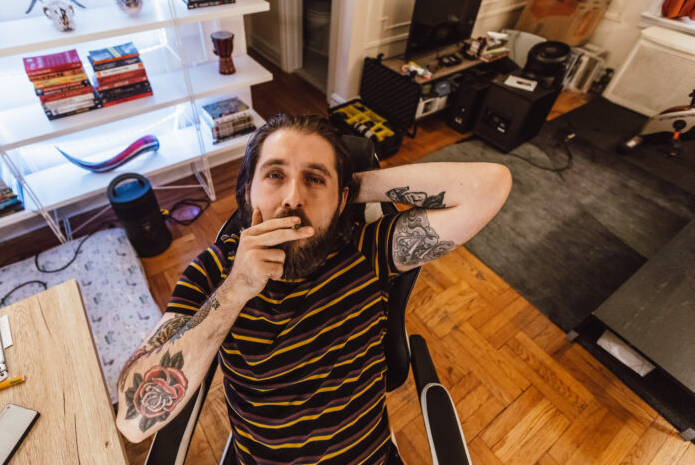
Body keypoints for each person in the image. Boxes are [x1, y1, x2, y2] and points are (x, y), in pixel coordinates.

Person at [115, 114, 512, 464]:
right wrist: (237, 289)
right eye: (275, 175)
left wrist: (352, 185)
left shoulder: (367, 249)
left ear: (342, 201)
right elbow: (133, 421)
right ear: (247, 192)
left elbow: (491, 185)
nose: (293, 197)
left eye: (314, 179)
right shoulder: (214, 272)